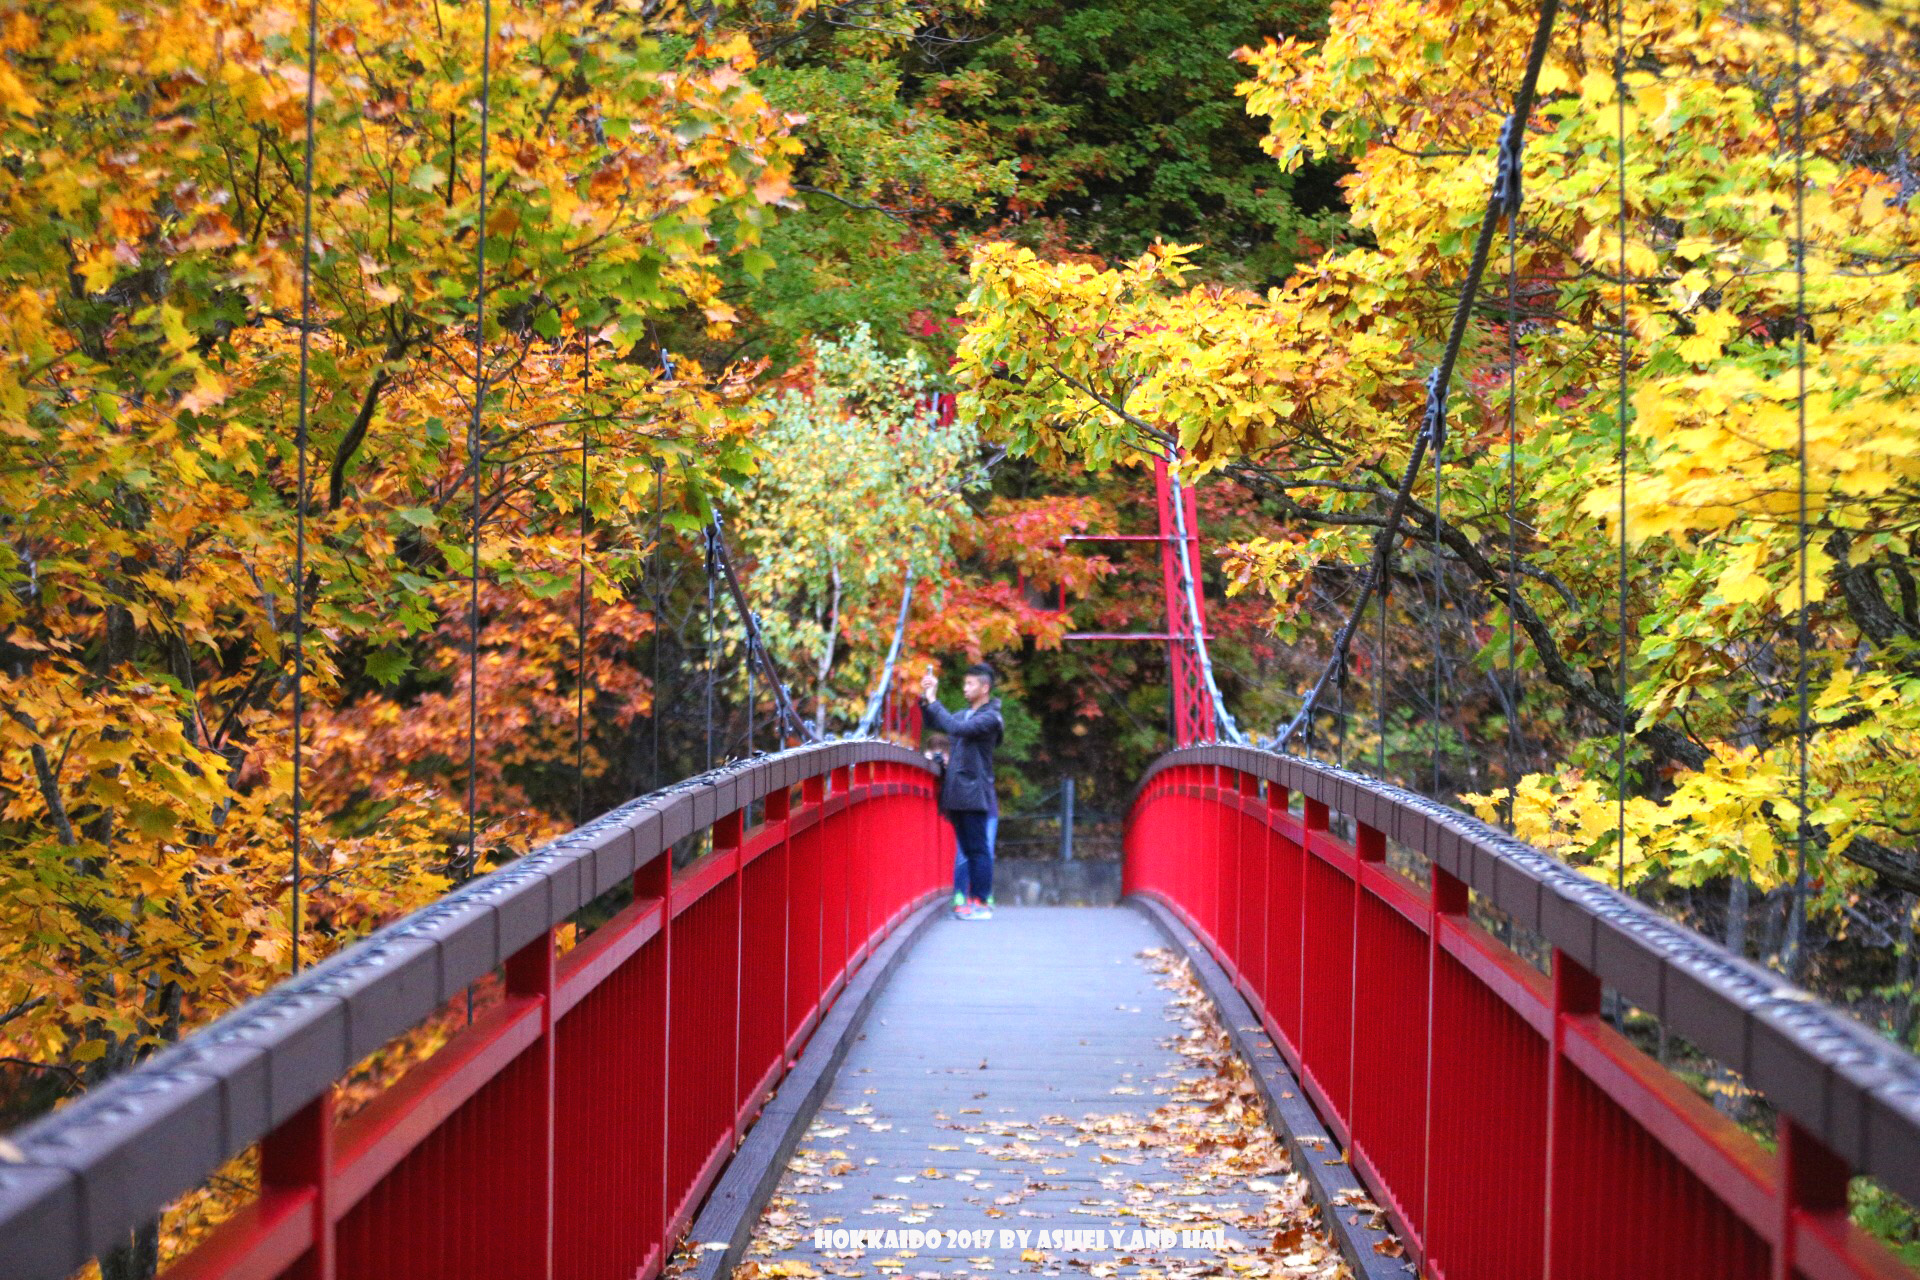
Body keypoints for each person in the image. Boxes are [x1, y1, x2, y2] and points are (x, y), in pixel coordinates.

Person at [920, 663, 1003, 920]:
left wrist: (935, 701)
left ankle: (981, 901)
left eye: (970, 684)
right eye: (965, 683)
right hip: (958, 792)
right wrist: (927, 698)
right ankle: (973, 901)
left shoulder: (990, 718)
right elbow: (937, 720)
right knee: (968, 849)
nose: (965, 688)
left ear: (984, 687)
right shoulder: (965, 715)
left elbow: (957, 730)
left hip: (975, 793)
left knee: (978, 849)